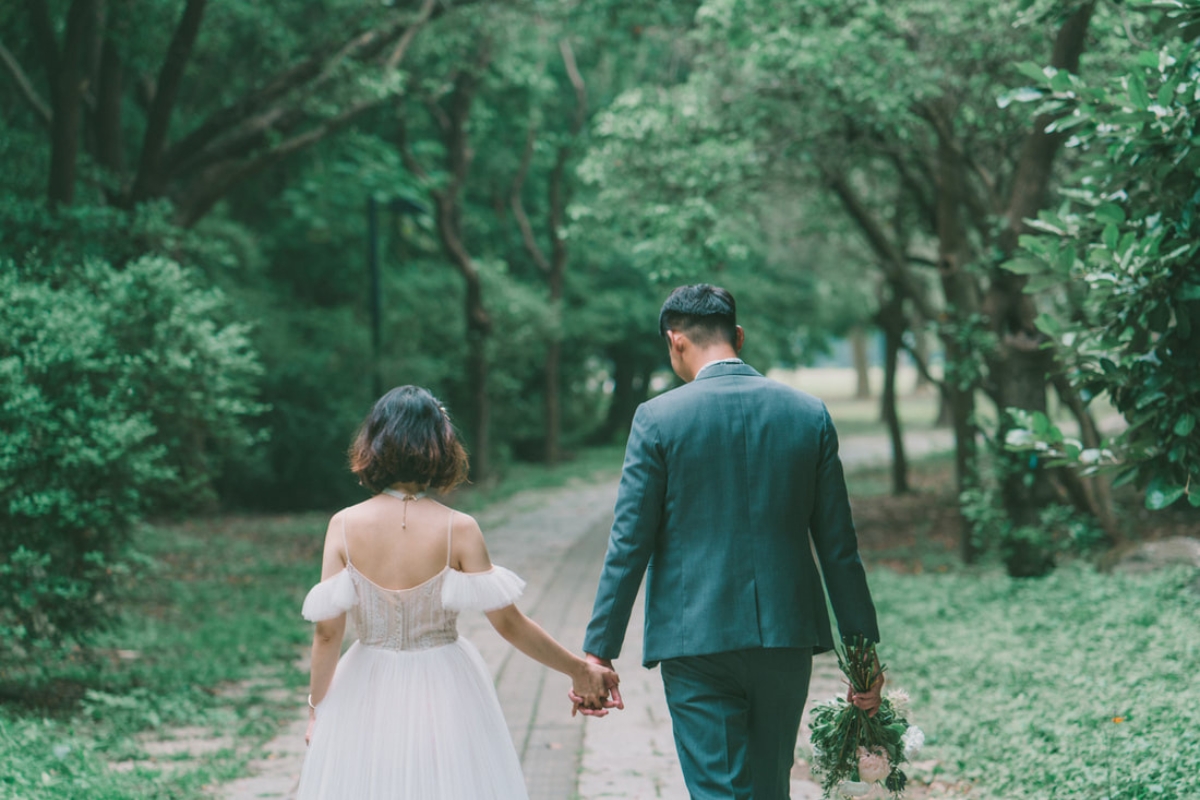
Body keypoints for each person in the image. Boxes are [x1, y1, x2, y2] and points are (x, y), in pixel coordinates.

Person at [577, 284, 883, 800]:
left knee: (718, 791)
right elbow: (839, 548)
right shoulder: (809, 415)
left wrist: (598, 654)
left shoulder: (656, 420)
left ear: (675, 342)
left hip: (695, 641)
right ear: (737, 336)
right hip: (785, 638)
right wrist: (862, 653)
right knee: (769, 789)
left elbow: (629, 544)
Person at [296, 385, 616, 800]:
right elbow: (509, 623)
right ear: (439, 446)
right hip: (445, 682)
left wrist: (317, 710)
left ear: (375, 443)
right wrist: (578, 668)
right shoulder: (458, 528)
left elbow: (327, 633)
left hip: (365, 679)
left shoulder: (342, 525)